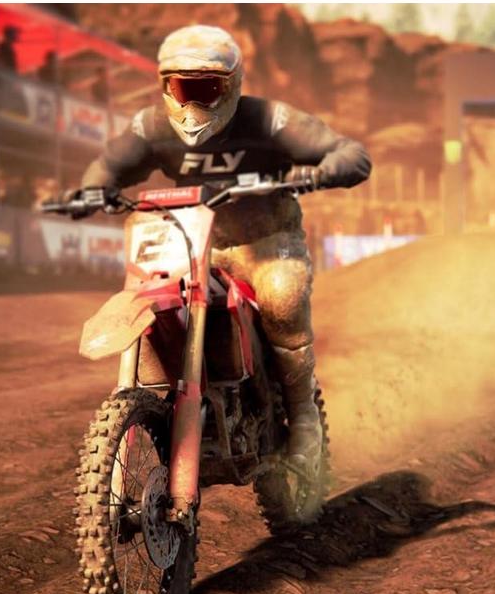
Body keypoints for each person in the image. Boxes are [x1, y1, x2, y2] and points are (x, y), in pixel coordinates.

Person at [79, 24, 371, 474]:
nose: (192, 104)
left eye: (207, 88)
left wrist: (319, 172)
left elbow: (350, 153)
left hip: (267, 241)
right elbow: (108, 164)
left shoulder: (269, 120)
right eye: (182, 88)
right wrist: (94, 189)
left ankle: (303, 420)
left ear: (231, 86)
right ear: (165, 86)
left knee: (283, 298)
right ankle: (155, 407)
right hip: (197, 243)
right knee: (155, 299)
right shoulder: (151, 125)